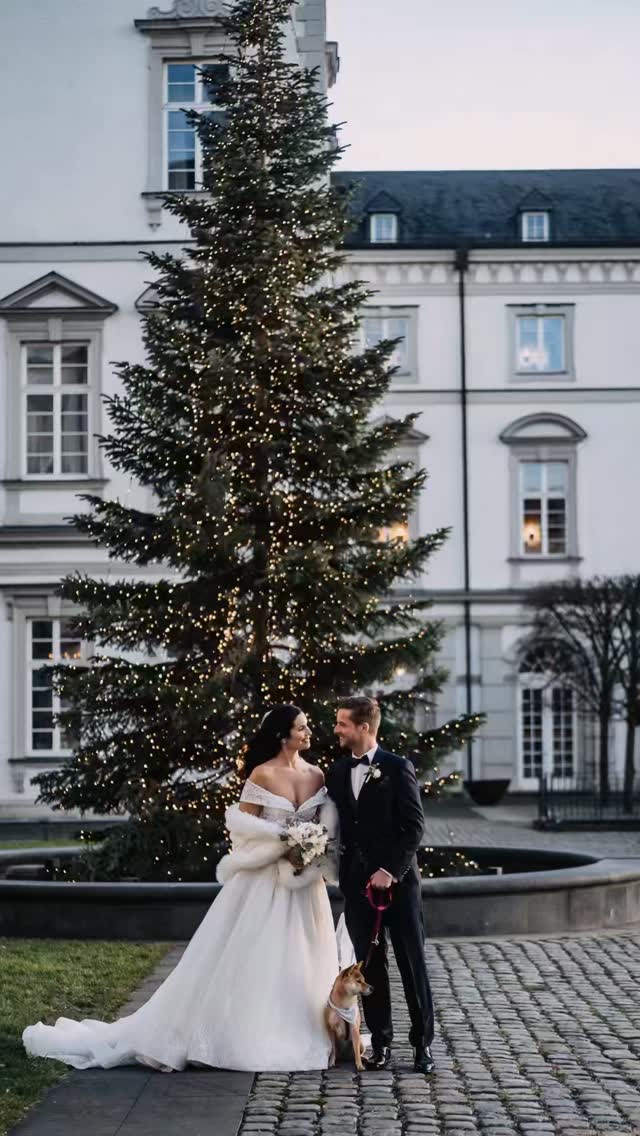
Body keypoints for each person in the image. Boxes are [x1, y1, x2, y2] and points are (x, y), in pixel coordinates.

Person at [23, 705, 339, 1072]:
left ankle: (305, 1027)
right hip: (263, 883)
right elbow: (240, 830)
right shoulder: (262, 774)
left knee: (304, 956)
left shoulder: (317, 775)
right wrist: (280, 845)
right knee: (258, 953)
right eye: (302, 728)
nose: (309, 733)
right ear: (284, 736)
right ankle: (249, 1031)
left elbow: (323, 825)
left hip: (305, 887)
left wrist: (311, 848)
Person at [326, 695, 435, 1073]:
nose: (336, 729)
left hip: (399, 888)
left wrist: (391, 870)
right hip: (356, 887)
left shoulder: (397, 767)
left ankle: (422, 1045)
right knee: (369, 967)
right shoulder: (337, 773)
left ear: (364, 727)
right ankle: (381, 1043)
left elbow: (414, 827)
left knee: (411, 963)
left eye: (342, 723)